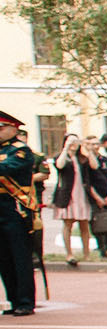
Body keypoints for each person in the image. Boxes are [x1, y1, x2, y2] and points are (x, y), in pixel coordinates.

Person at [0, 110, 45, 314]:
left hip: (15, 208)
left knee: (20, 256)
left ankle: (26, 301)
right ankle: (14, 300)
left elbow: (7, 168)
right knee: (4, 258)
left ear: (13, 128)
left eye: (1, 128)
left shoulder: (21, 150)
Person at [48, 134, 100, 265]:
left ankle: (86, 254)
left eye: (75, 141)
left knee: (84, 226)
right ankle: (69, 254)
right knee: (68, 224)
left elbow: (95, 166)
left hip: (82, 194)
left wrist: (88, 150)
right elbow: (59, 166)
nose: (73, 144)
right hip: (68, 195)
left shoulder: (82, 158)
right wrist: (66, 148)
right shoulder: (62, 157)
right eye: (71, 141)